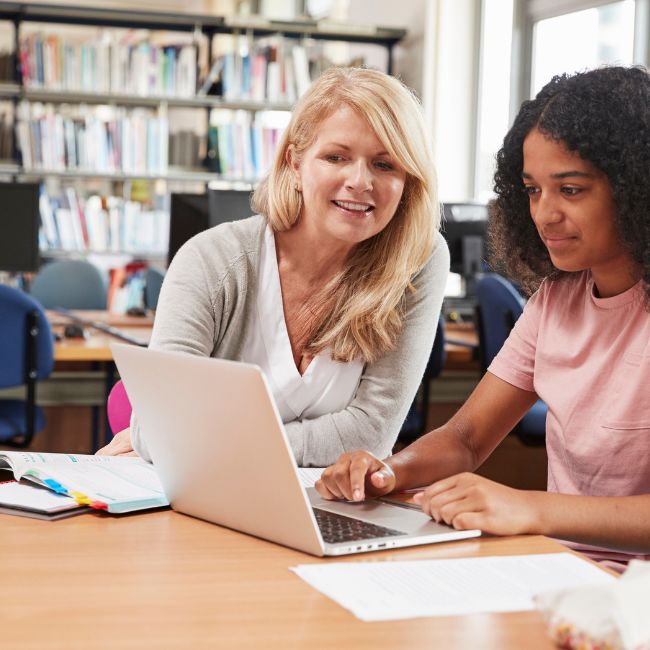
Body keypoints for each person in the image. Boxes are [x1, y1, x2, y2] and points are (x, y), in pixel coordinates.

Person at [316, 65, 650, 569]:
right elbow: (466, 438)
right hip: (571, 577)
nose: (544, 214)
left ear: (635, 188)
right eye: (533, 190)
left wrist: (530, 506)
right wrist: (389, 471)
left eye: (571, 190)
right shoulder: (555, 302)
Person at [98, 66, 449, 467]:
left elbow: (371, 434)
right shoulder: (210, 261)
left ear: (408, 180)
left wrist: (206, 443)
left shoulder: (417, 258)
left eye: (385, 165)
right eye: (336, 157)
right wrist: (173, 438)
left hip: (331, 512)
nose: (359, 181)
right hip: (204, 501)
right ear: (294, 163)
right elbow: (160, 430)